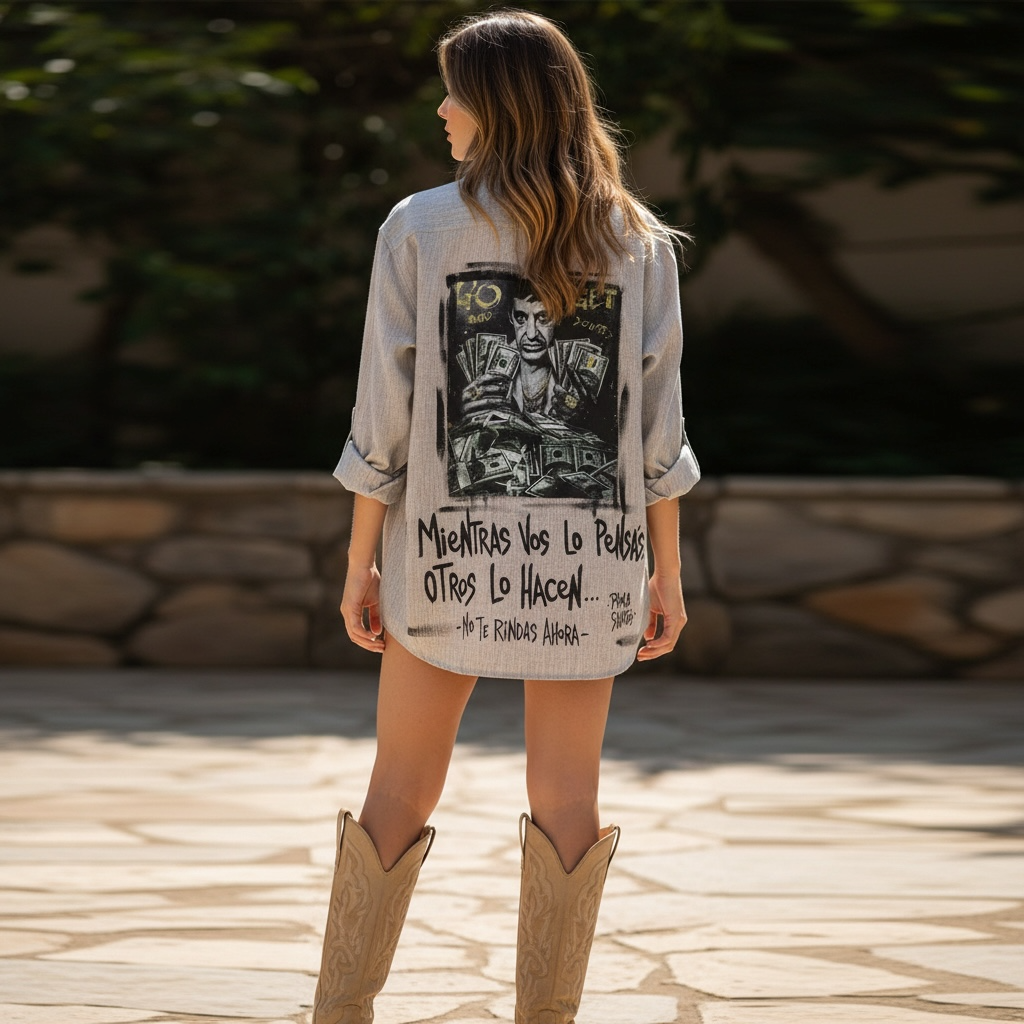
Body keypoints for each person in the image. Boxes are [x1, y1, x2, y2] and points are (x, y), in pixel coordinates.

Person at [313, 10, 699, 1024]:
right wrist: (665, 574)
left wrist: (360, 563)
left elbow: (384, 416)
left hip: (443, 558)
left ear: (495, 104)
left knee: (398, 787)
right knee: (569, 799)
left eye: (454, 91)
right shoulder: (638, 241)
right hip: (592, 564)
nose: (441, 110)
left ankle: (340, 1014)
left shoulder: (418, 226)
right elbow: (657, 434)